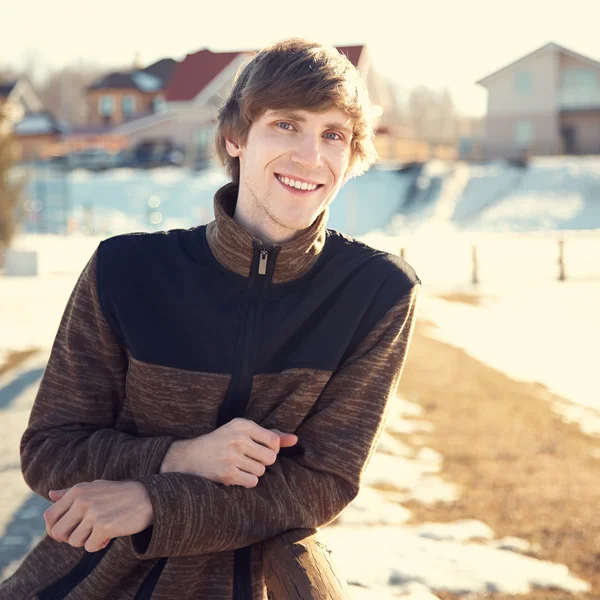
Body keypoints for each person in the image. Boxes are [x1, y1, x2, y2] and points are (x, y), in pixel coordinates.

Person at [0, 37, 421, 599]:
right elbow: (50, 451)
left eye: (333, 135)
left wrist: (154, 498)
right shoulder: (125, 269)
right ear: (235, 137)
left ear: (352, 156)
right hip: (83, 581)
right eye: (286, 125)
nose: (310, 157)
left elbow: (321, 484)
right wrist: (180, 456)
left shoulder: (377, 292)